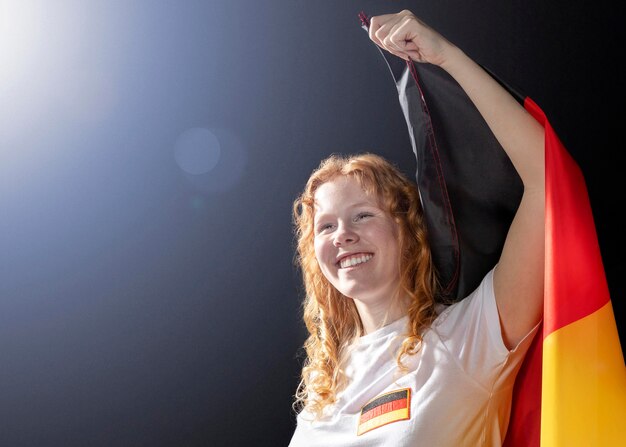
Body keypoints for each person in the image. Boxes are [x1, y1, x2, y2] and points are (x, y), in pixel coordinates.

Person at [288, 9, 545, 446]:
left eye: (363, 215)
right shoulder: (321, 390)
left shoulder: (467, 338)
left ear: (409, 230)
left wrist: (447, 58)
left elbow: (546, 180)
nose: (342, 235)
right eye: (325, 226)